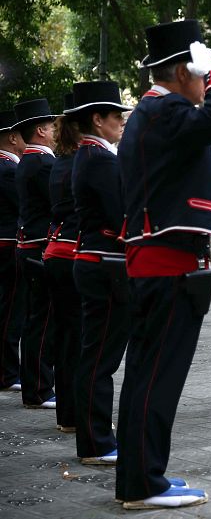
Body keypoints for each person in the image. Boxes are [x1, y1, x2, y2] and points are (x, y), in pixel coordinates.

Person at [116, 19, 211, 509]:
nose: (203, 81)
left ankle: (145, 477)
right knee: (155, 379)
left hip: (162, 264)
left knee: (151, 377)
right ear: (181, 71)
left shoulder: (155, 112)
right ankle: (143, 483)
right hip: (164, 268)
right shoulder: (163, 107)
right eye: (199, 70)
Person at [68, 81, 133, 465]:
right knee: (100, 360)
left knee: (95, 356)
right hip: (105, 265)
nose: (122, 123)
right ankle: (96, 442)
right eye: (116, 117)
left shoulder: (92, 156)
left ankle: (94, 438)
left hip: (97, 262)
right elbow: (121, 215)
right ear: (97, 119)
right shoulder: (101, 160)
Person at [13, 97, 57, 409]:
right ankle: (39, 389)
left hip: (28, 244)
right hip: (40, 247)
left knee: (34, 320)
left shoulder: (29, 161)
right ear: (40, 130)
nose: (56, 130)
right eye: (52, 126)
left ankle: (35, 386)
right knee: (42, 322)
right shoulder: (43, 164)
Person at [44, 93, 82, 433]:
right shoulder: (85, 161)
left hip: (56, 250)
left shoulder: (58, 162)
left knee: (65, 336)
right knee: (81, 338)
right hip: (74, 252)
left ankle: (66, 415)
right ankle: (75, 414)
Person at [0, 111, 24, 392]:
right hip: (8, 245)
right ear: (12, 137)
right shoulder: (9, 170)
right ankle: (7, 371)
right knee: (12, 310)